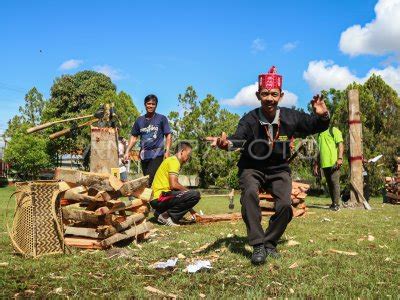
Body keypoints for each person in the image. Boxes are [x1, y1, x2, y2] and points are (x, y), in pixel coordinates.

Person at [207, 66, 330, 265]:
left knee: (284, 206)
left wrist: (323, 115)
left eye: (274, 94)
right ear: (258, 95)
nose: (270, 99)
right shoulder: (250, 119)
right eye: (265, 94)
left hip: (279, 169)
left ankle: (270, 243)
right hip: (251, 167)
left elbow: (315, 125)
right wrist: (226, 144)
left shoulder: (291, 117)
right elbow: (237, 139)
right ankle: (257, 245)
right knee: (248, 196)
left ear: (281, 96)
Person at [124, 94, 172, 187]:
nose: (150, 106)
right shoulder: (139, 120)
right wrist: (127, 151)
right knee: (148, 181)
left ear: (156, 105)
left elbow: (168, 135)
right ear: (145, 104)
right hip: (144, 156)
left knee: (148, 180)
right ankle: (153, 199)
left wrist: (167, 151)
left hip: (157, 154)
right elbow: (134, 137)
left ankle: (144, 198)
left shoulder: (161, 119)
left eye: (153, 104)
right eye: (148, 103)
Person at [150, 141, 200, 226]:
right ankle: (166, 216)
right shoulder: (174, 161)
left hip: (157, 199)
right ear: (182, 152)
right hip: (160, 197)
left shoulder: (171, 160)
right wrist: (188, 192)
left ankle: (160, 213)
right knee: (195, 194)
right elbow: (174, 185)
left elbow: (179, 194)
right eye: (188, 154)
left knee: (189, 194)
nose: (188, 158)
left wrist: (192, 210)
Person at [314, 126, 344, 211]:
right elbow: (319, 151)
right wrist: (316, 164)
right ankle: (333, 203)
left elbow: (340, 144)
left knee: (335, 183)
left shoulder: (333, 130)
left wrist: (340, 158)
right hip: (324, 163)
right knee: (330, 184)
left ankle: (337, 204)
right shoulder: (319, 134)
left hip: (334, 162)